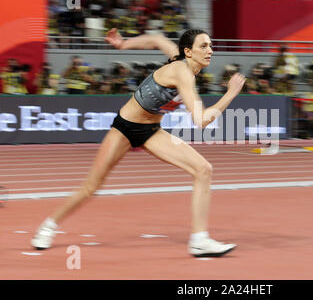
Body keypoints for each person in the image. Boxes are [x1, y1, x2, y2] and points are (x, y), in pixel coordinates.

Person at [31, 28, 246, 257]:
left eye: (211, 45)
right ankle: (48, 226)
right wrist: (230, 94)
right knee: (91, 187)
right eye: (203, 46)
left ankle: (200, 240)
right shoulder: (181, 72)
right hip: (125, 129)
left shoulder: (180, 59)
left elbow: (156, 39)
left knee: (203, 169)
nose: (210, 50)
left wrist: (124, 44)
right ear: (188, 51)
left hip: (151, 131)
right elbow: (201, 120)